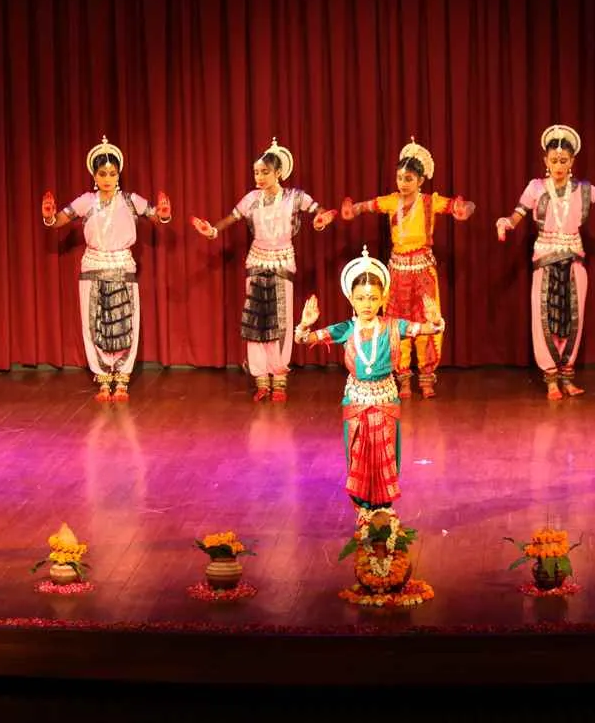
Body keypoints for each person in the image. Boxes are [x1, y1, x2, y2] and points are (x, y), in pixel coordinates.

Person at [495, 123, 595, 399]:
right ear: (545, 161)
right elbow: (517, 215)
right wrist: (506, 223)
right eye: (554, 160)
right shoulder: (536, 188)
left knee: (573, 318)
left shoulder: (584, 189)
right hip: (545, 260)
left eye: (564, 160)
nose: (559, 166)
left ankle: (567, 376)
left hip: (574, 260)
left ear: (572, 161)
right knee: (544, 318)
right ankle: (551, 380)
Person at [293, 246, 445, 510]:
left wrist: (435, 321)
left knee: (387, 453)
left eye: (373, 298)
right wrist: (305, 324)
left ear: (382, 298)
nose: (367, 304)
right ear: (351, 299)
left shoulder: (393, 326)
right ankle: (363, 512)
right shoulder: (346, 329)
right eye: (361, 298)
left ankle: (384, 511)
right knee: (358, 455)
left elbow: (427, 329)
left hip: (386, 400)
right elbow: (306, 339)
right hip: (357, 401)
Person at [192, 137, 335, 402]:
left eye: (264, 172)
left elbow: (320, 211)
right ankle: (261, 379)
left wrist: (321, 219)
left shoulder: (295, 197)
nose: (259, 177)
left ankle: (278, 379)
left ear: (278, 172)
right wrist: (212, 231)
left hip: (282, 262)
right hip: (257, 262)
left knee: (281, 320)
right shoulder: (251, 199)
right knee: (256, 321)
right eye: (256, 172)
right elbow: (230, 219)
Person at [339, 137, 474, 398]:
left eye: (409, 178)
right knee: (396, 324)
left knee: (426, 320)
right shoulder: (392, 201)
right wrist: (352, 210)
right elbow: (367, 206)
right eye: (400, 177)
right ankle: (402, 379)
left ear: (421, 180)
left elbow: (459, 207)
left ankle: (426, 377)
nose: (403, 183)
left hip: (423, 271)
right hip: (398, 271)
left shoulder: (430, 202)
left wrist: (462, 209)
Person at [42, 136, 172, 401]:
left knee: (125, 322)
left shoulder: (131, 200)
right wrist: (49, 216)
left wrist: (164, 213)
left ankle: (122, 380)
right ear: (94, 175)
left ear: (118, 174)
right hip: (93, 266)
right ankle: (103, 379)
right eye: (102, 174)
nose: (108, 179)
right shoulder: (86, 201)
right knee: (95, 322)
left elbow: (157, 219)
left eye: (112, 174)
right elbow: (59, 221)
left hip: (122, 265)